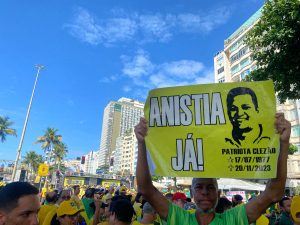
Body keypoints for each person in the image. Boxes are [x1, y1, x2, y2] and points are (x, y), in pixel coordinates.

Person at [135, 113, 290, 225]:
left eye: (210, 187)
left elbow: (274, 193)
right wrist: (141, 143)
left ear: (218, 193)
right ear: (193, 193)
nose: (204, 192)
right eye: (199, 187)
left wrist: (283, 143)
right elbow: (145, 188)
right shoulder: (178, 218)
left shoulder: (233, 219)